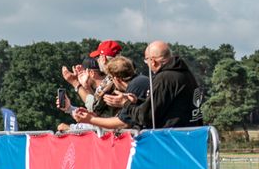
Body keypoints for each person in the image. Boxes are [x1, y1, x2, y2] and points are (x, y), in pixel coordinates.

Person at [74, 41, 203, 130]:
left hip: (173, 142)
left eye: (146, 60)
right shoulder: (183, 73)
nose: (147, 64)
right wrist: (138, 101)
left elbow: (147, 117)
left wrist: (126, 103)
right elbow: (162, 106)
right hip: (190, 136)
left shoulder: (164, 78)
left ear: (153, 61)